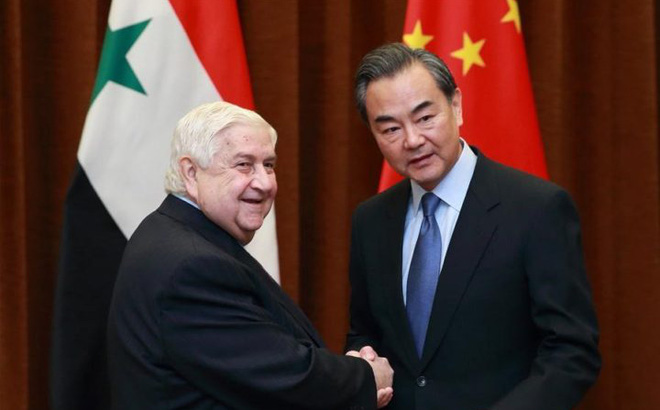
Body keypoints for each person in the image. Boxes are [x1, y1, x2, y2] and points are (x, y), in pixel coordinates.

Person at [345, 43, 601, 409]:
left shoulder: (536, 208)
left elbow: (572, 351)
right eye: (390, 129)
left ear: (456, 105)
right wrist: (362, 362)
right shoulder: (370, 221)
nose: (412, 140)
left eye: (425, 118)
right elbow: (364, 333)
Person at [107, 101, 393, 410]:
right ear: (191, 172)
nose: (265, 183)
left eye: (268, 165)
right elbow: (281, 375)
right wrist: (366, 377)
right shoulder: (192, 265)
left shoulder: (176, 233)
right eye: (244, 165)